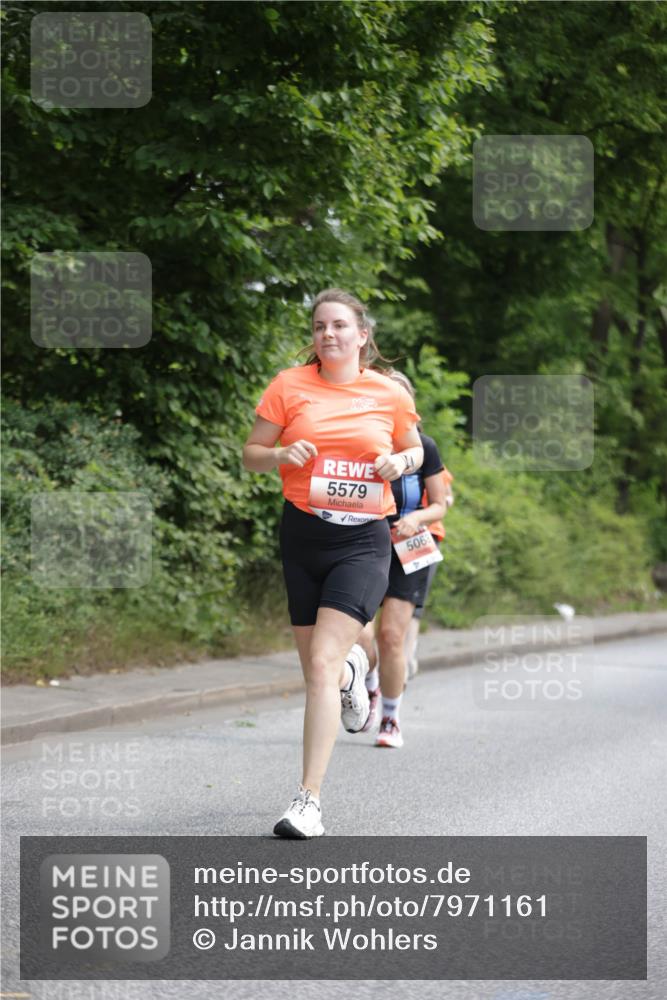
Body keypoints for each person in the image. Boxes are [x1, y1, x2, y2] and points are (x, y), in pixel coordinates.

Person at [242, 289, 423, 838]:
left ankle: (308, 801)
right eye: (320, 326)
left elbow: (414, 450)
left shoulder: (387, 392)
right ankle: (352, 672)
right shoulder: (288, 385)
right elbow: (250, 455)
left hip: (364, 541)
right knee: (315, 671)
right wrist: (279, 455)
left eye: (340, 325)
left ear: (361, 335)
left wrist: (399, 460)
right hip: (302, 536)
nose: (329, 334)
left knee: (321, 662)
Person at [358, 371, 449, 749]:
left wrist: (416, 518)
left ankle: (391, 718)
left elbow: (441, 504)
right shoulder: (361, 441)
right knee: (359, 635)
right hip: (363, 542)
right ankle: (369, 683)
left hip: (410, 544)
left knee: (392, 636)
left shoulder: (425, 448)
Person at [404, 468, 454, 680]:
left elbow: (448, 495)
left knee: (413, 599)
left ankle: (406, 657)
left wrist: (444, 502)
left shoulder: (432, 460)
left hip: (424, 534)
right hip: (393, 530)